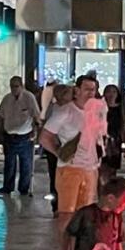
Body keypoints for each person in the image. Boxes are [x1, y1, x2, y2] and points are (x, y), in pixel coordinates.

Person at [40, 74, 103, 250]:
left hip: (90, 169)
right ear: (76, 90)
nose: (90, 93)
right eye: (86, 89)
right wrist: (60, 153)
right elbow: (45, 137)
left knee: (86, 215)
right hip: (70, 169)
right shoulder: (65, 112)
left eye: (93, 89)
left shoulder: (97, 112)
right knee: (67, 215)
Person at [0, 75, 41, 197]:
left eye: (16, 86)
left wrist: (35, 131)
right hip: (10, 136)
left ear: (21, 86)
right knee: (9, 163)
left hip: (25, 136)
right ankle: (7, 187)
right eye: (11, 86)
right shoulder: (7, 99)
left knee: (26, 164)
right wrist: (1, 132)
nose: (13, 89)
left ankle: (24, 189)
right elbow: (1, 115)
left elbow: (36, 115)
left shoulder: (28, 98)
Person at [42, 85, 73, 214]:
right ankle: (56, 205)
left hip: (69, 148)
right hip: (55, 147)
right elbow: (48, 130)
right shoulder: (53, 109)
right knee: (54, 176)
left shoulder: (73, 109)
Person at [100, 84, 125, 183]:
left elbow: (123, 124)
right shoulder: (101, 107)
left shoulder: (119, 108)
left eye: (114, 92)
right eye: (109, 91)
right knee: (103, 166)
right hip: (103, 139)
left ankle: (111, 187)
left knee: (113, 167)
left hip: (115, 140)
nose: (111, 94)